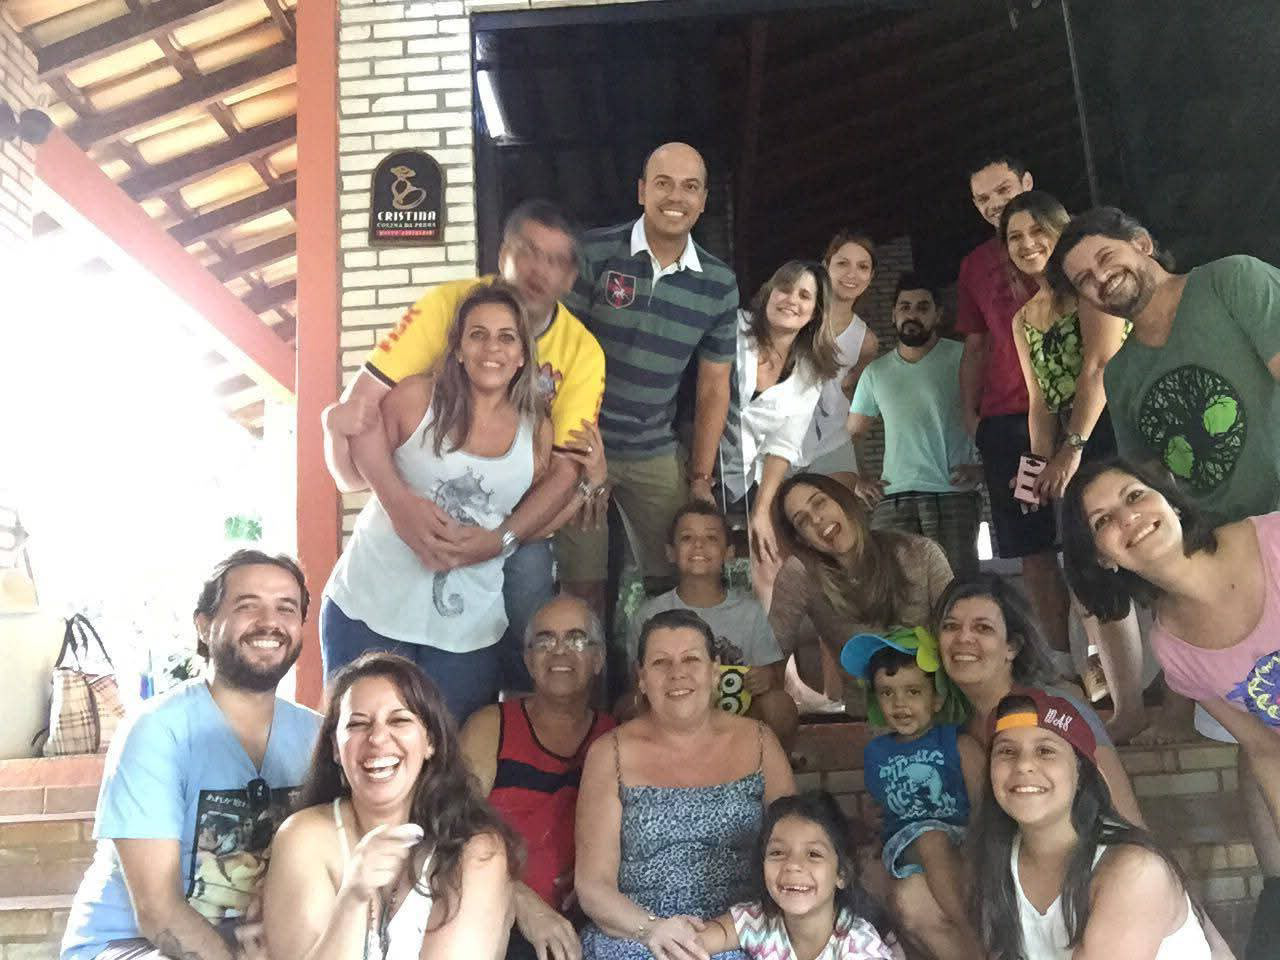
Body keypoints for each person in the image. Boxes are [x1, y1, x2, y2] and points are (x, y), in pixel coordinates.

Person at [322, 199, 606, 694]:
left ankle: (525, 707)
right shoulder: (441, 316)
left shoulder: (579, 358)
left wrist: (505, 538)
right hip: (376, 588)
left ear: (525, 356)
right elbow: (361, 415)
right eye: (528, 250)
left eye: (555, 260)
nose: (538, 269)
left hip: (496, 554)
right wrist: (398, 503)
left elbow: (565, 473)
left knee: (529, 590)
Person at [1063, 456, 1280, 957]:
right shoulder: (1174, 650)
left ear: (1171, 501)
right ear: (1102, 558)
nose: (1128, 518)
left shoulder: (1270, 540)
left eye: (1134, 496)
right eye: (1103, 521)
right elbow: (1265, 751)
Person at [61, 551, 322, 960]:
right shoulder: (157, 731)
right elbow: (157, 910)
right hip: (131, 946)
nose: (269, 621)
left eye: (286, 608)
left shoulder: (317, 735)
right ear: (203, 626)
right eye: (248, 605)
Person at [322, 282, 553, 724]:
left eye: (507, 337)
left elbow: (534, 519)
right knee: (357, 748)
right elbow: (350, 478)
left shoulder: (537, 432)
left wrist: (585, 486)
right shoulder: (414, 398)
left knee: (449, 759)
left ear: (523, 355)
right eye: (477, 334)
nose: (492, 348)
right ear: (459, 349)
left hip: (468, 634)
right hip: (368, 611)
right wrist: (332, 428)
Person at [559, 142, 739, 614]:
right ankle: (591, 665)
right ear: (641, 191)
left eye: (690, 187)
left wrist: (701, 479)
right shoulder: (594, 252)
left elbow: (713, 386)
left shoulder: (719, 284)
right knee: (583, 589)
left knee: (679, 578)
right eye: (663, 183)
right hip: (582, 443)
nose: (676, 197)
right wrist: (575, 449)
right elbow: (560, 359)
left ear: (703, 201)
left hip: (653, 447)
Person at [1001, 191, 1147, 742]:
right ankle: (1126, 704)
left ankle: (1182, 698)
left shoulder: (1091, 290)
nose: (1027, 244)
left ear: (1061, 232)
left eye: (1038, 230)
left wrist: (1074, 447)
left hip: (1117, 432)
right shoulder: (1023, 317)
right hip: (1071, 444)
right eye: (1015, 237)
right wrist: (1037, 470)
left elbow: (1099, 368)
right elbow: (1039, 402)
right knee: (1089, 572)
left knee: (1152, 562)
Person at [263, 652, 516, 960]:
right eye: (358, 724)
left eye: (399, 720)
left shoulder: (477, 850)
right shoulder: (303, 837)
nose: (378, 738)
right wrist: (352, 900)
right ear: (335, 747)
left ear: (431, 741)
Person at [575, 608, 796, 960]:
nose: (677, 673)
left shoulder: (759, 742)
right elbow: (592, 886)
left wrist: (727, 932)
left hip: (740, 933)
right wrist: (653, 929)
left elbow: (796, 852)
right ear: (641, 678)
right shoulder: (609, 753)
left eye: (691, 659)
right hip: (637, 936)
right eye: (660, 662)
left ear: (715, 671)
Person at [1047, 205, 1280, 524]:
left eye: (1106, 257)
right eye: (1084, 279)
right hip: (1218, 540)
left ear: (1142, 244)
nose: (1100, 277)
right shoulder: (1119, 374)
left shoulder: (1232, 280)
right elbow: (1149, 478)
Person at [973, 690, 1213, 959]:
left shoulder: (1135, 870)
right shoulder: (995, 859)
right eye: (1007, 751)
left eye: (1045, 751)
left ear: (1081, 772)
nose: (1024, 765)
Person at [956, 155, 1072, 666]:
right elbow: (975, 345)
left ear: (1027, 182)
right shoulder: (975, 265)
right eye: (982, 198)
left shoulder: (1073, 243)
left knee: (1097, 535)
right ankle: (1065, 666)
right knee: (1033, 547)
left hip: (1081, 415)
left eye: (1002, 189)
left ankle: (1128, 668)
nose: (993, 204)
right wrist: (972, 418)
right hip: (1008, 423)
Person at [459, 594, 616, 960]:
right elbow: (451, 825)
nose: (559, 651)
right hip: (494, 917)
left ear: (599, 659)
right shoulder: (491, 727)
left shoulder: (616, 737)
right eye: (544, 641)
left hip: (592, 925)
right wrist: (518, 898)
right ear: (528, 660)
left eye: (577, 639)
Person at [840, 631, 984, 960]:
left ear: (937, 699)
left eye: (913, 691)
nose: (899, 704)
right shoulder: (876, 753)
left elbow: (982, 807)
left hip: (960, 843)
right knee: (925, 842)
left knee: (919, 875)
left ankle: (969, 937)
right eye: (887, 693)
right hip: (904, 845)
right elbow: (882, 807)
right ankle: (974, 942)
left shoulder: (957, 744)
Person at [768, 472, 954, 709]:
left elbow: (957, 632)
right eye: (802, 521)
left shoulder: (921, 553)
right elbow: (771, 655)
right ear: (802, 540)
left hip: (936, 707)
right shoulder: (800, 573)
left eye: (820, 502)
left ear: (843, 501)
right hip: (869, 714)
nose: (816, 519)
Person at [622, 502, 798, 748]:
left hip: (737, 720)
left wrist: (765, 678)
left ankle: (767, 767)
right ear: (670, 552)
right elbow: (637, 683)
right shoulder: (649, 614)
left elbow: (774, 677)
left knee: (779, 706)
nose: (698, 545)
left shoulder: (749, 612)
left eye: (711, 538)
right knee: (628, 708)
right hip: (670, 715)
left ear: (729, 553)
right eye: (687, 538)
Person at [847, 272, 983, 580]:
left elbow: (995, 416)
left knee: (957, 589)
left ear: (938, 315)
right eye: (905, 307)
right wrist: (858, 479)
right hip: (893, 499)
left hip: (953, 495)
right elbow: (852, 433)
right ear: (893, 314)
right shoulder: (876, 373)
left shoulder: (965, 358)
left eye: (923, 307)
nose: (912, 314)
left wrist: (983, 469)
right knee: (895, 592)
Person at [719, 260, 838, 567]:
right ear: (769, 292)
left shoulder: (811, 372)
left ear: (815, 313)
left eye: (804, 296)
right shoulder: (733, 327)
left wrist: (760, 510)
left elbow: (782, 445)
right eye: (785, 289)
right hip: (688, 458)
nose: (792, 300)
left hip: (739, 480)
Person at [694, 792, 901, 960]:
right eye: (777, 852)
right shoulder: (760, 921)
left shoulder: (860, 948)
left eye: (813, 854)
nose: (793, 865)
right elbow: (704, 939)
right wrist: (674, 932)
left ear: (842, 874)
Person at [799, 231, 880, 482]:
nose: (852, 274)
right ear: (826, 266)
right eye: (843, 263)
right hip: (782, 442)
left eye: (862, 267)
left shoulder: (866, 341)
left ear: (871, 276)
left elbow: (855, 405)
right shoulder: (796, 315)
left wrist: (860, 466)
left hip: (833, 447)